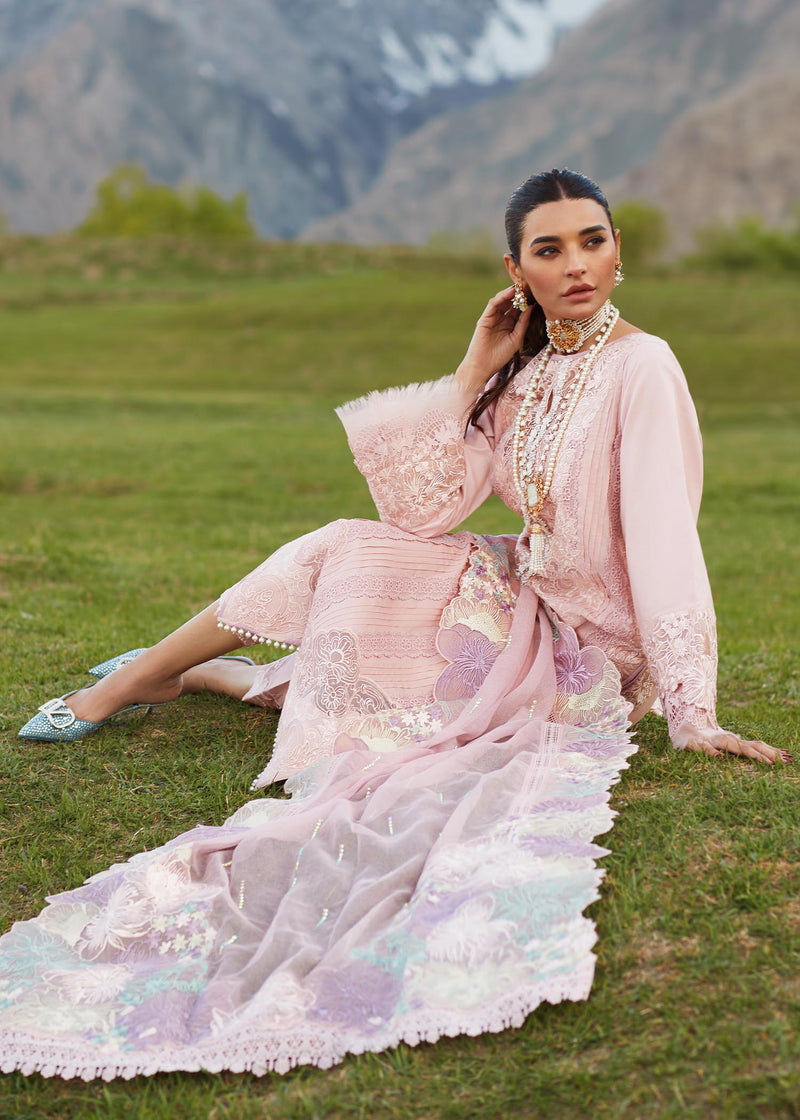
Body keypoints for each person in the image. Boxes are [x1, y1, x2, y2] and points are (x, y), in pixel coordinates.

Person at [3, 169, 788, 1081]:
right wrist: (474, 371)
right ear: (517, 271)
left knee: (403, 715)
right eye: (550, 249)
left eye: (594, 241)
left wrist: (691, 709)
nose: (577, 265)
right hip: (518, 591)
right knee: (351, 545)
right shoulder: (532, 371)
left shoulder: (644, 366)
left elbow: (664, 538)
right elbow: (421, 512)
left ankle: (187, 676)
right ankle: (149, 678)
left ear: (619, 252)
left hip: (586, 646)